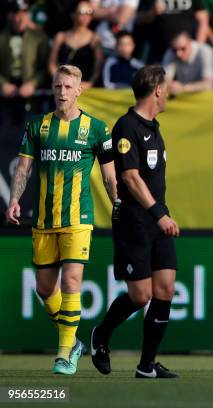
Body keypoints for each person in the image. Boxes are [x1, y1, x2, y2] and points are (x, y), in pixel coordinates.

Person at [5, 64, 117, 375]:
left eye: (68, 87)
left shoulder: (97, 129)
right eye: (57, 87)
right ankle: (76, 343)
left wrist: (118, 204)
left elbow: (110, 177)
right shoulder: (37, 126)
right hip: (44, 220)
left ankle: (64, 354)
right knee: (44, 289)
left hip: (78, 219)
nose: (62, 92)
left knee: (71, 282)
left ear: (80, 90)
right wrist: (14, 199)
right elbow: (24, 169)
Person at [90, 65, 180, 379]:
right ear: (157, 90)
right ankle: (101, 335)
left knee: (165, 289)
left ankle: (147, 365)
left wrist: (161, 214)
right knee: (141, 296)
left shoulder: (154, 126)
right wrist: (159, 214)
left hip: (158, 218)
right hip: (136, 222)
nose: (168, 93)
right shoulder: (126, 126)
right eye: (166, 87)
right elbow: (128, 177)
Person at [0, 0, 50, 124]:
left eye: (24, 12)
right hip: (4, 96)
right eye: (17, 13)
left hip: (32, 97)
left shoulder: (39, 38)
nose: (21, 17)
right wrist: (2, 83)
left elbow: (46, 67)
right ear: (9, 15)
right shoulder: (1, 38)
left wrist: (33, 83)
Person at [48, 1, 104, 90]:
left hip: (84, 89)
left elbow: (98, 68)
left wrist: (90, 83)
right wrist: (60, 80)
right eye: (82, 12)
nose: (86, 16)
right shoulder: (61, 36)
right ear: (73, 14)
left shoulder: (95, 39)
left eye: (89, 12)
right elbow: (51, 64)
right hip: (61, 87)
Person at [135, 0, 208, 64]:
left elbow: (203, 21)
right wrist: (153, 12)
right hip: (160, 53)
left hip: (188, 53)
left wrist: (198, 48)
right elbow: (139, 19)